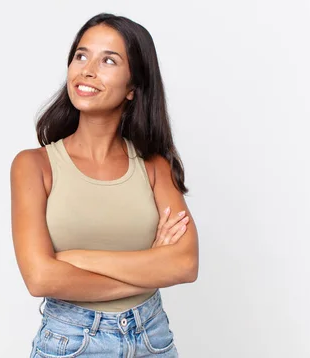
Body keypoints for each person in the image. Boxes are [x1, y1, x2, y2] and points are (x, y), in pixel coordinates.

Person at [10, 12, 199, 358]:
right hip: (72, 341)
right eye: (81, 55)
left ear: (132, 87)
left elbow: (185, 264)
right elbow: (40, 278)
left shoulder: (154, 166)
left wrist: (76, 259)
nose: (87, 69)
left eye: (108, 60)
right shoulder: (34, 166)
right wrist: (151, 265)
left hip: (151, 338)